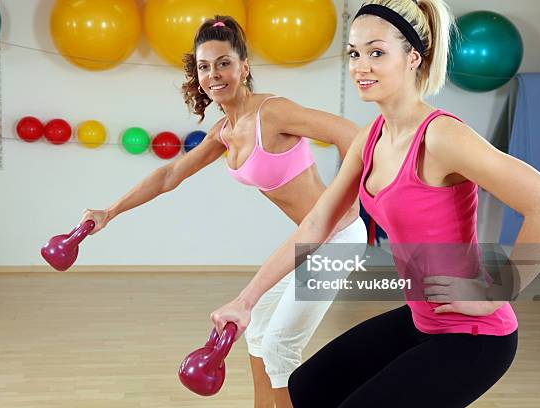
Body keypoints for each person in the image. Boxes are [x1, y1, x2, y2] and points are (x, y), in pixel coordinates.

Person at [210, 1, 540, 407]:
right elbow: (317, 224)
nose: (360, 66)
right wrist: (244, 302)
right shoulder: (371, 138)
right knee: (304, 391)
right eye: (354, 53)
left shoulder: (441, 137)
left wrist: (498, 290)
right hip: (424, 320)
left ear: (413, 58)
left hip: (475, 337)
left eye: (376, 52)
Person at [81, 16, 366, 408]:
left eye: (223, 62)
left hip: (339, 240)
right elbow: (168, 175)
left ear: (244, 66)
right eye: (204, 66)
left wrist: (347, 194)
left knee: (281, 345)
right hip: (308, 241)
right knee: (260, 329)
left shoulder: (273, 112)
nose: (213, 74)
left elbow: (351, 134)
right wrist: (109, 212)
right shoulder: (224, 132)